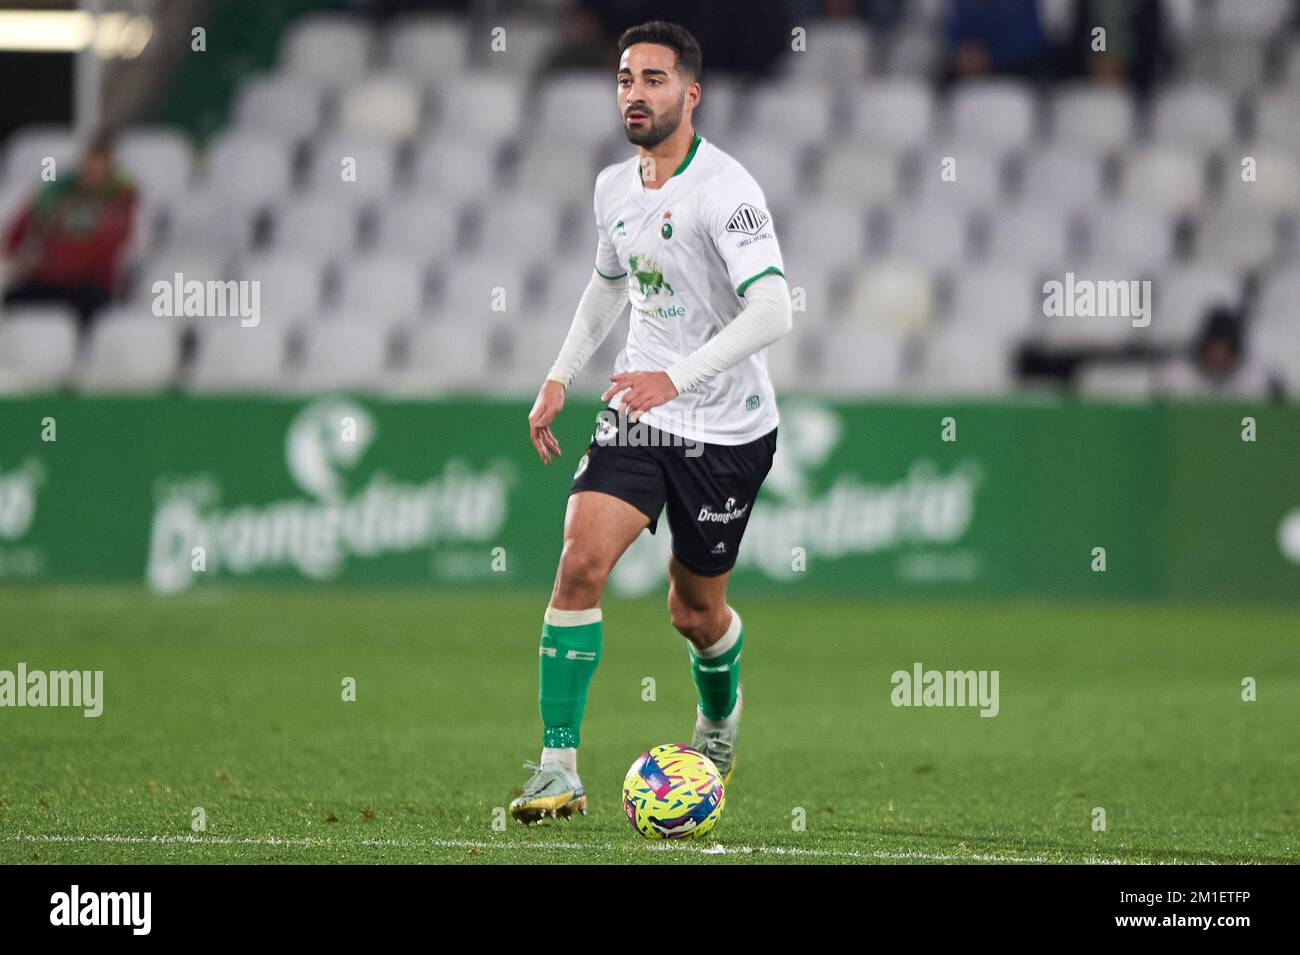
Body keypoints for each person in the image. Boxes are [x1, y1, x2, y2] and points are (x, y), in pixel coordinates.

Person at [510, 20, 792, 824]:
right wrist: (560, 375)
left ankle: (717, 720)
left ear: (690, 93)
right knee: (578, 563)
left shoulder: (727, 191)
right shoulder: (612, 187)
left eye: (655, 79)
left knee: (693, 612)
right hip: (637, 414)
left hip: (726, 429)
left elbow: (774, 309)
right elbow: (608, 283)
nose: (636, 93)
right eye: (627, 79)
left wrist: (678, 377)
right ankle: (558, 767)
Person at [2, 130, 137, 329]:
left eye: (101, 162)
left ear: (110, 165)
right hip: (47, 279)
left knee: (89, 306)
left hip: (89, 285)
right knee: (13, 300)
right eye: (90, 160)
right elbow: (18, 232)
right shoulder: (56, 193)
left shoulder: (120, 198)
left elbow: (114, 244)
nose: (93, 169)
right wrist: (24, 258)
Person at [1154, 306, 1280, 400]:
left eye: (1224, 351)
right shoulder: (1177, 377)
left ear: (1235, 353)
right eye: (1213, 349)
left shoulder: (1254, 380)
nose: (1217, 357)